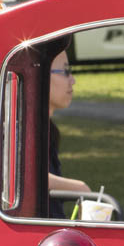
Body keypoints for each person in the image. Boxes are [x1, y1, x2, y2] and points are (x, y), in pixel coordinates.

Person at [46, 41, 93, 217]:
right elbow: (19, 177)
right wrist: (82, 189)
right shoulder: (16, 127)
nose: (72, 80)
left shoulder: (48, 129)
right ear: (40, 75)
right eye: (65, 71)